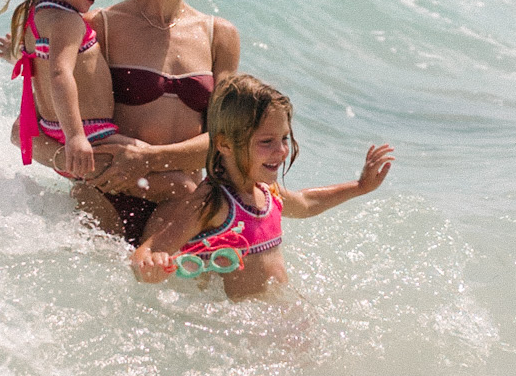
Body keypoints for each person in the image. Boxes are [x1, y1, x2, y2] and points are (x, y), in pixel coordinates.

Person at [2, 0, 240, 242]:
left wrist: (147, 161)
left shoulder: (219, 35)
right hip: (102, 203)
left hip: (180, 209)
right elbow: (26, 131)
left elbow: (227, 142)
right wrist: (77, 164)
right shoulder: (100, 28)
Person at [130, 72, 393, 301]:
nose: (280, 150)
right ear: (225, 144)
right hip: (241, 329)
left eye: (284, 138)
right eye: (266, 141)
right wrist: (151, 264)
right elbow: (147, 251)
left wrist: (360, 187)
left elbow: (305, 203)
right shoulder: (213, 201)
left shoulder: (267, 192)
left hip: (274, 316)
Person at [0, 0, 120, 182]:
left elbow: (35, 58)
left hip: (52, 130)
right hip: (90, 134)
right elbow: (59, 74)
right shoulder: (67, 21)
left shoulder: (33, 15)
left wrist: (14, 54)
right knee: (162, 169)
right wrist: (76, 136)